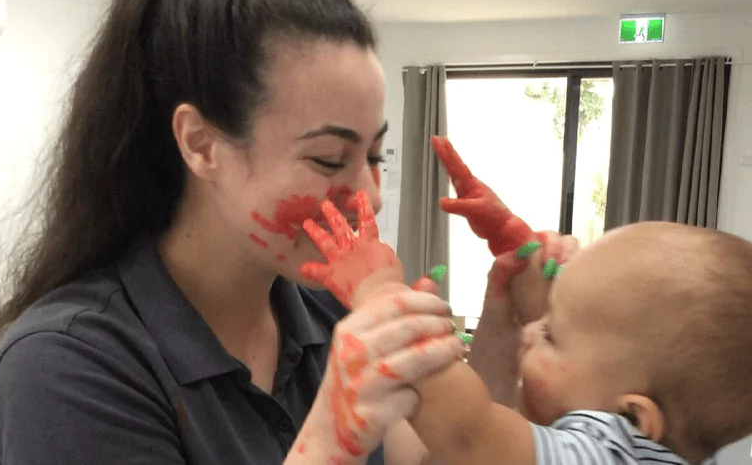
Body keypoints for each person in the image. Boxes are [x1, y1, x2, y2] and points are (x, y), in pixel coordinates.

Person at [0, 0, 481, 463]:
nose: (369, 199)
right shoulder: (67, 362)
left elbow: (433, 454)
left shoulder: (327, 315)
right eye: (329, 159)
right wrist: (332, 435)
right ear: (200, 143)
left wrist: (509, 330)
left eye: (375, 156)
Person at [305, 190, 752, 465]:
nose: (530, 332)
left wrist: (379, 292)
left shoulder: (600, 455)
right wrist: (517, 252)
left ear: (633, 417)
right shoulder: (674, 447)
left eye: (552, 336)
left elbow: (465, 430)